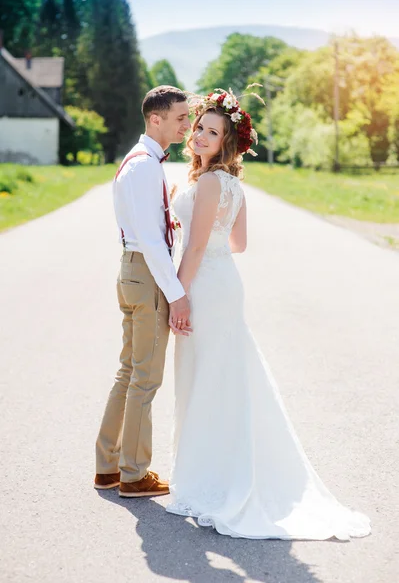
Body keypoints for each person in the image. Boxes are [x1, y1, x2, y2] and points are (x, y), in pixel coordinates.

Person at [166, 88, 371, 540]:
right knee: (222, 375)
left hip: (202, 285)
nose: (199, 135)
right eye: (199, 127)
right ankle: (219, 466)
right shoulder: (231, 184)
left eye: (211, 132)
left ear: (227, 142)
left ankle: (211, 477)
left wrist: (178, 294)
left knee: (206, 377)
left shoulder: (209, 183)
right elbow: (236, 244)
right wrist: (207, 231)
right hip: (225, 283)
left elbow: (197, 246)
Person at [94, 85, 192, 498]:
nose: (187, 125)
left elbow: (150, 230)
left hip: (134, 271)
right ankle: (134, 474)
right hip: (146, 273)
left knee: (130, 372)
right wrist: (177, 294)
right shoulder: (143, 166)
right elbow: (151, 243)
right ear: (156, 119)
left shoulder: (145, 163)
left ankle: (108, 467)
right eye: (181, 118)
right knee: (145, 379)